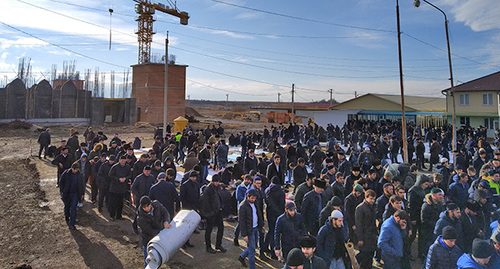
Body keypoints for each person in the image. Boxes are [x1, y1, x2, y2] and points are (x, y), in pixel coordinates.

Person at [136, 196, 171, 268]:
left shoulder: (157, 205)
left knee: (158, 259)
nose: (146, 209)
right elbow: (148, 230)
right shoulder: (140, 217)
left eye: (147, 206)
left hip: (159, 237)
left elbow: (165, 213)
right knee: (149, 261)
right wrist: (161, 232)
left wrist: (166, 221)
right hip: (148, 240)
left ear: (150, 204)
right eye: (144, 207)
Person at [238, 189, 265, 269]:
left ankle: (242, 257)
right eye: (252, 198)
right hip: (249, 231)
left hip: (255, 227)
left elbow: (259, 214)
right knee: (252, 251)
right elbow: (241, 222)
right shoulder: (243, 206)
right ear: (247, 196)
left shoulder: (255, 203)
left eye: (254, 198)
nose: (253, 200)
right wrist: (244, 234)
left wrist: (262, 225)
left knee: (253, 246)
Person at [199, 174, 226, 254]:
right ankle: (208, 246)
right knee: (209, 229)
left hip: (217, 211)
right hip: (211, 212)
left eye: (218, 182)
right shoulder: (208, 190)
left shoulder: (217, 188)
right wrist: (209, 213)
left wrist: (220, 207)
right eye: (216, 182)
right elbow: (205, 203)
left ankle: (218, 244)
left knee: (221, 227)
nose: (217, 183)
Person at [355, 189, 378, 269]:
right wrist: (360, 238)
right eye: (371, 198)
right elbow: (359, 224)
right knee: (364, 257)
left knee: (370, 256)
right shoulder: (360, 208)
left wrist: (376, 234)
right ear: (366, 197)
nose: (372, 201)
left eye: (374, 199)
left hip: (372, 235)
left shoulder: (374, 207)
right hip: (364, 236)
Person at [420, 188, 445, 260]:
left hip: (436, 231)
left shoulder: (440, 204)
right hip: (428, 232)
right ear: (433, 195)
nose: (441, 197)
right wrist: (437, 224)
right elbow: (424, 221)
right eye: (439, 195)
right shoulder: (426, 206)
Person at [264, 175, 286, 259]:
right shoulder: (281, 192)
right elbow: (282, 203)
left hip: (270, 213)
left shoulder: (267, 190)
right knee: (275, 233)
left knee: (271, 230)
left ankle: (265, 246)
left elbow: (268, 202)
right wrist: (280, 213)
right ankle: (272, 251)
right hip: (278, 214)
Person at [59, 162, 85, 230]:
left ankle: (72, 223)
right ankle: (67, 217)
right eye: (74, 169)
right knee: (67, 206)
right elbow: (61, 182)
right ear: (71, 168)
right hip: (67, 193)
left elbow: (82, 185)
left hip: (75, 194)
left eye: (76, 169)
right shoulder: (66, 173)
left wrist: (82, 193)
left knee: (73, 208)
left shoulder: (80, 175)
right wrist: (62, 191)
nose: (75, 171)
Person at [108, 155, 131, 220]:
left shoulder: (127, 167)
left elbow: (130, 175)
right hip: (114, 188)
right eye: (122, 160)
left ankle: (119, 215)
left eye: (124, 161)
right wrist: (118, 179)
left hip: (122, 188)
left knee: (120, 203)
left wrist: (125, 178)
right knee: (113, 203)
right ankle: (112, 216)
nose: (123, 162)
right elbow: (110, 176)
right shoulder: (114, 167)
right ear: (119, 160)